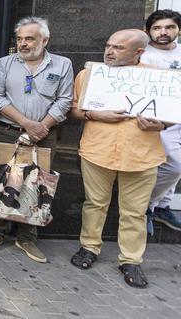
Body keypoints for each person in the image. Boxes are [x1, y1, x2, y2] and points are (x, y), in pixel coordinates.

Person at [69, 29, 167, 288]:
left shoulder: (158, 78)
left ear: (139, 52)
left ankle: (131, 260)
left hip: (141, 156)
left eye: (118, 47)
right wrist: (95, 115)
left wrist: (158, 124)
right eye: (108, 45)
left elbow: (168, 117)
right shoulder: (88, 74)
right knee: (94, 204)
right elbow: (75, 109)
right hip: (97, 151)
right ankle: (89, 247)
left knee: (134, 212)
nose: (109, 51)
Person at [0, 16, 73, 263]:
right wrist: (27, 123)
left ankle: (27, 237)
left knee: (38, 184)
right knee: (2, 181)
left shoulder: (62, 65)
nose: (23, 43)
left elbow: (65, 100)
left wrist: (41, 127)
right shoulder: (5, 63)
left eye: (29, 39)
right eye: (20, 39)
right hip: (7, 130)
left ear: (45, 40)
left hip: (45, 135)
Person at [141, 9, 181, 234]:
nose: (163, 32)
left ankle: (163, 207)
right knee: (173, 166)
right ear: (148, 31)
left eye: (169, 27)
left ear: (178, 29)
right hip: (161, 121)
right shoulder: (144, 55)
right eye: (157, 28)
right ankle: (147, 207)